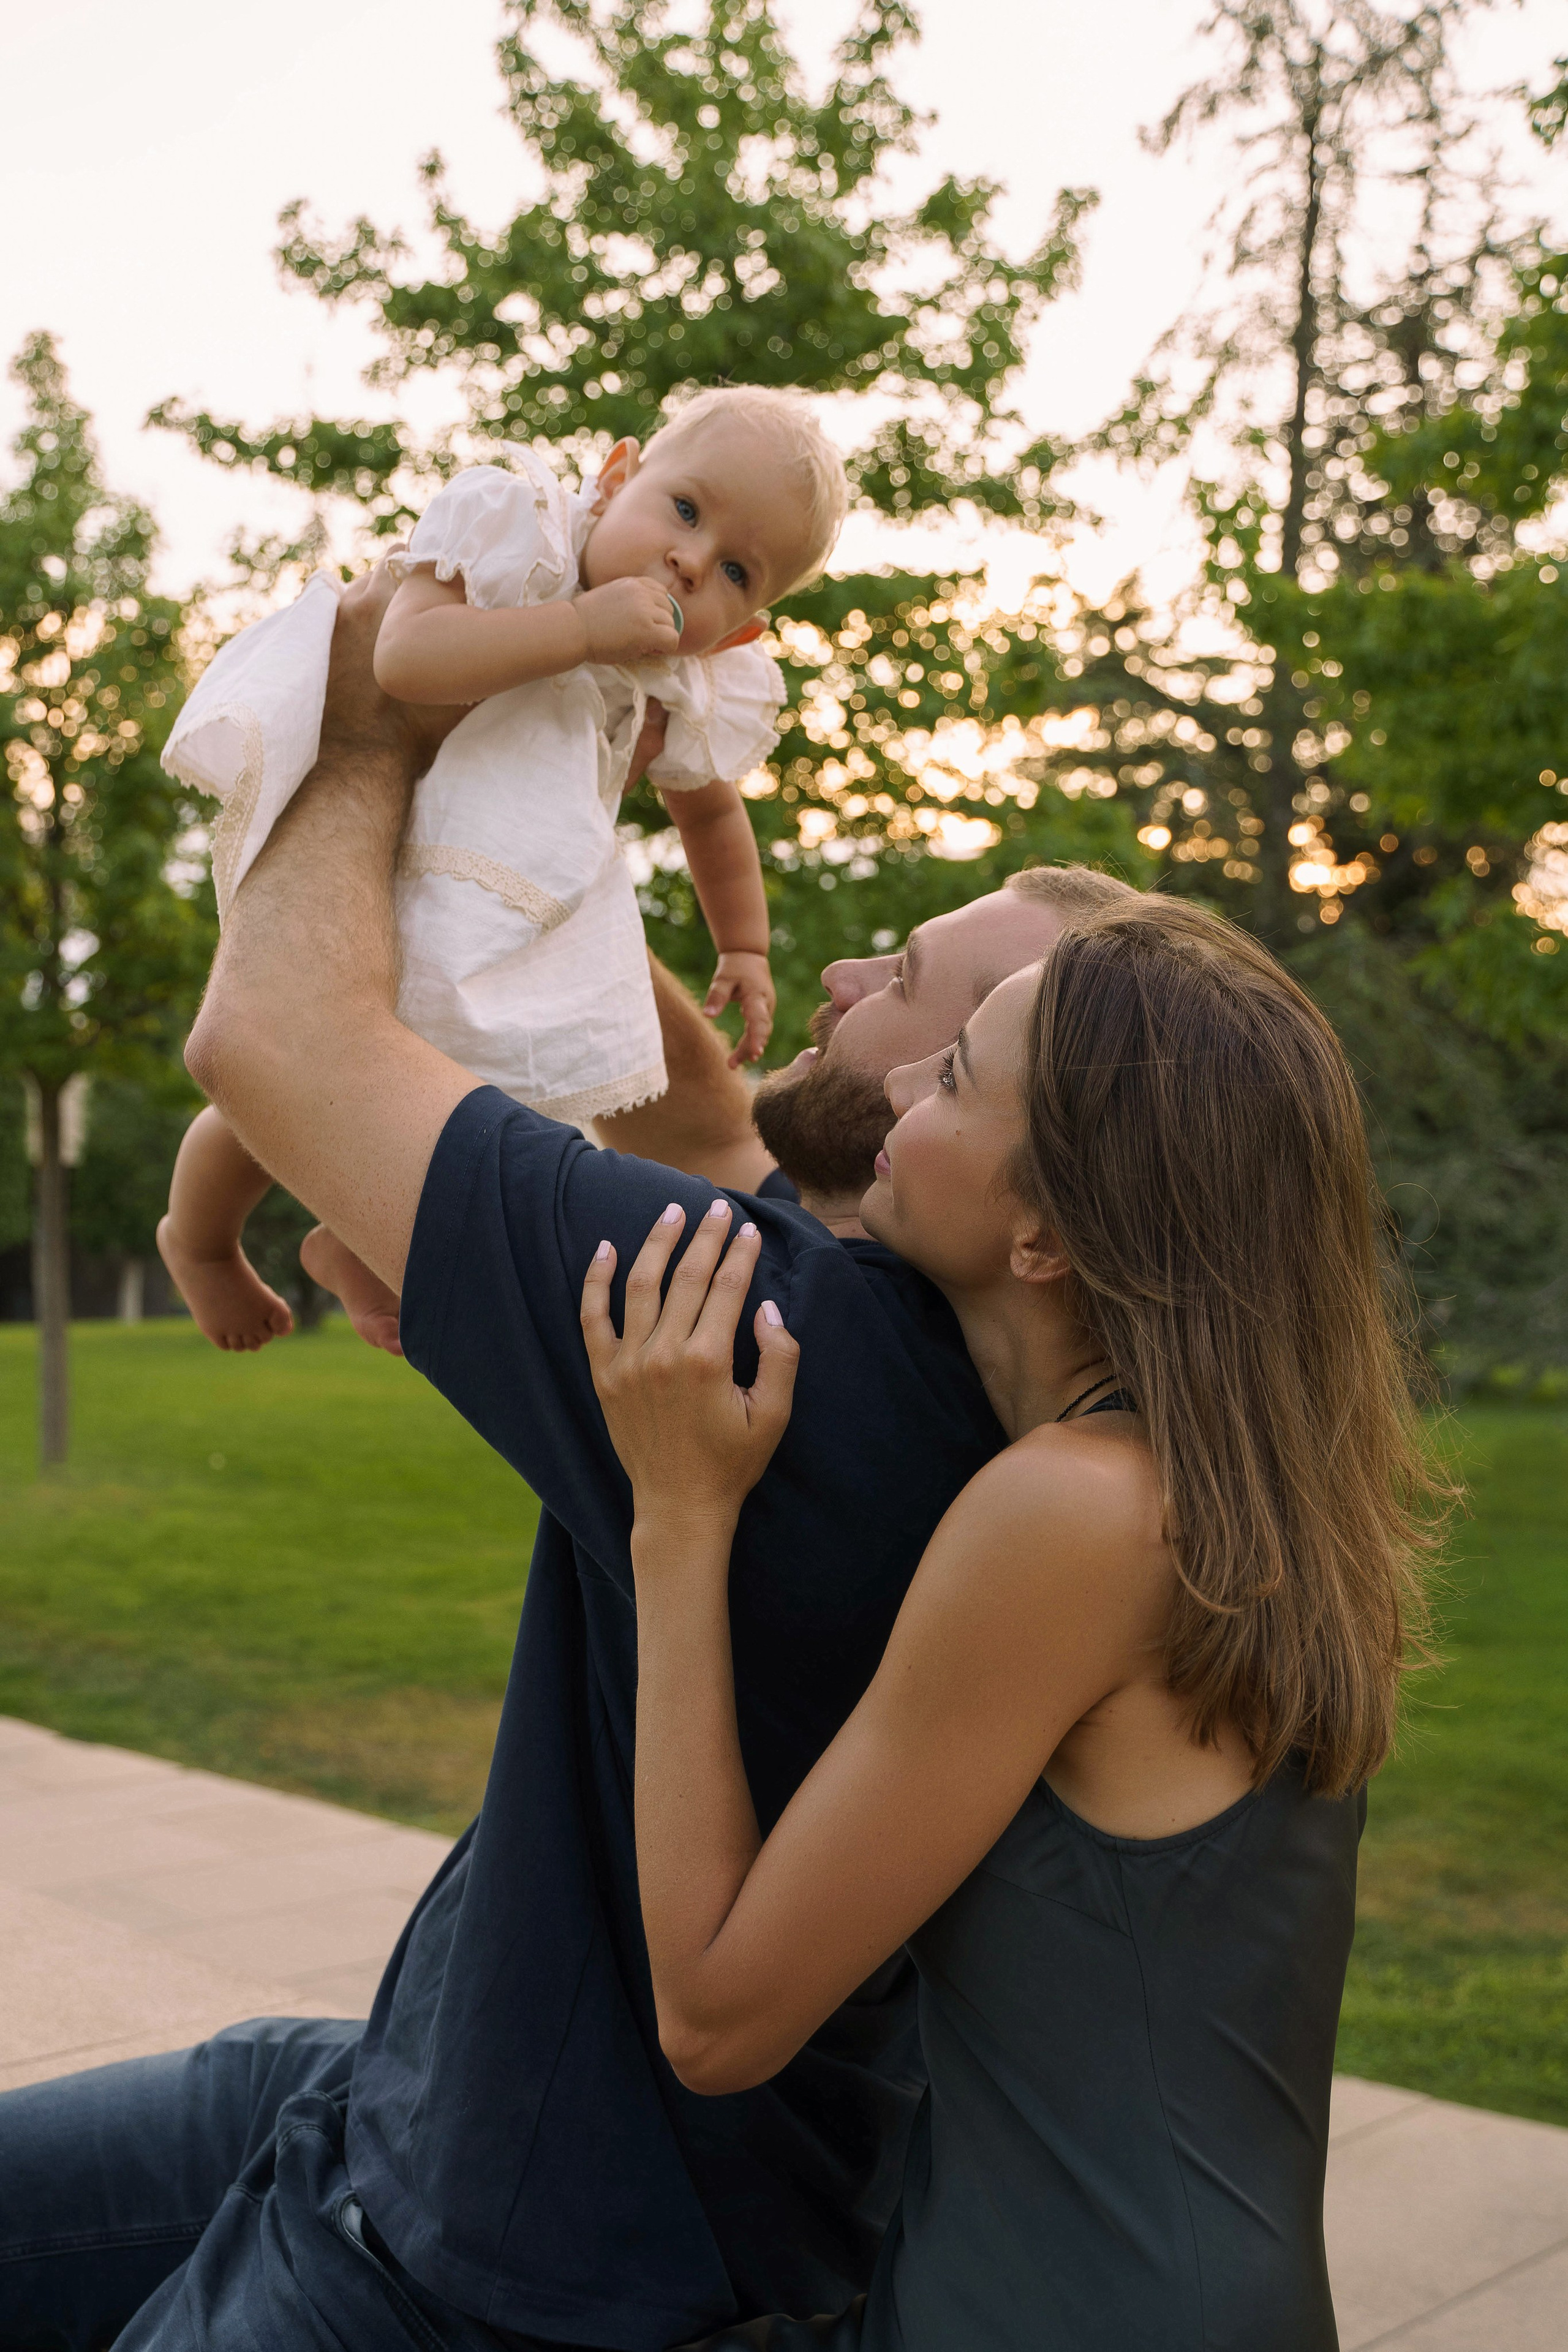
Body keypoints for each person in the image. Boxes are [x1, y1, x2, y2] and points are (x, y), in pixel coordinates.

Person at [0, 565, 1137, 2352]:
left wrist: (384, 709)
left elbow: (277, 1039)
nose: (851, 969)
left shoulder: (778, 1333)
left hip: (472, 2263)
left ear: (1034, 1166)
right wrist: (564, 754)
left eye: (927, 990)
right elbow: (680, 1105)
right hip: (413, 2101)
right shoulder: (901, 1334)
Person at [584, 899, 1441, 2351]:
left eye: (956, 1079)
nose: (902, 1091)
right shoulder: (1206, 1488)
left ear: (1043, 1234)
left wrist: (675, 1518)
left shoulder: (1073, 1517)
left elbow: (717, 2020)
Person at [157, 386, 842, 1354]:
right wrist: (587, 629)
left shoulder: (680, 680)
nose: (691, 560)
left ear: (741, 632)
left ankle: (358, 1247)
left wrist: (745, 944)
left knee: (486, 1099)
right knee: (282, 1076)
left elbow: (712, 811)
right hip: (386, 860)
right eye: (685, 510)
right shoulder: (519, 535)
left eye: (735, 570)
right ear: (615, 478)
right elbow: (406, 655)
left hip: (523, 917)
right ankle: (201, 1238)